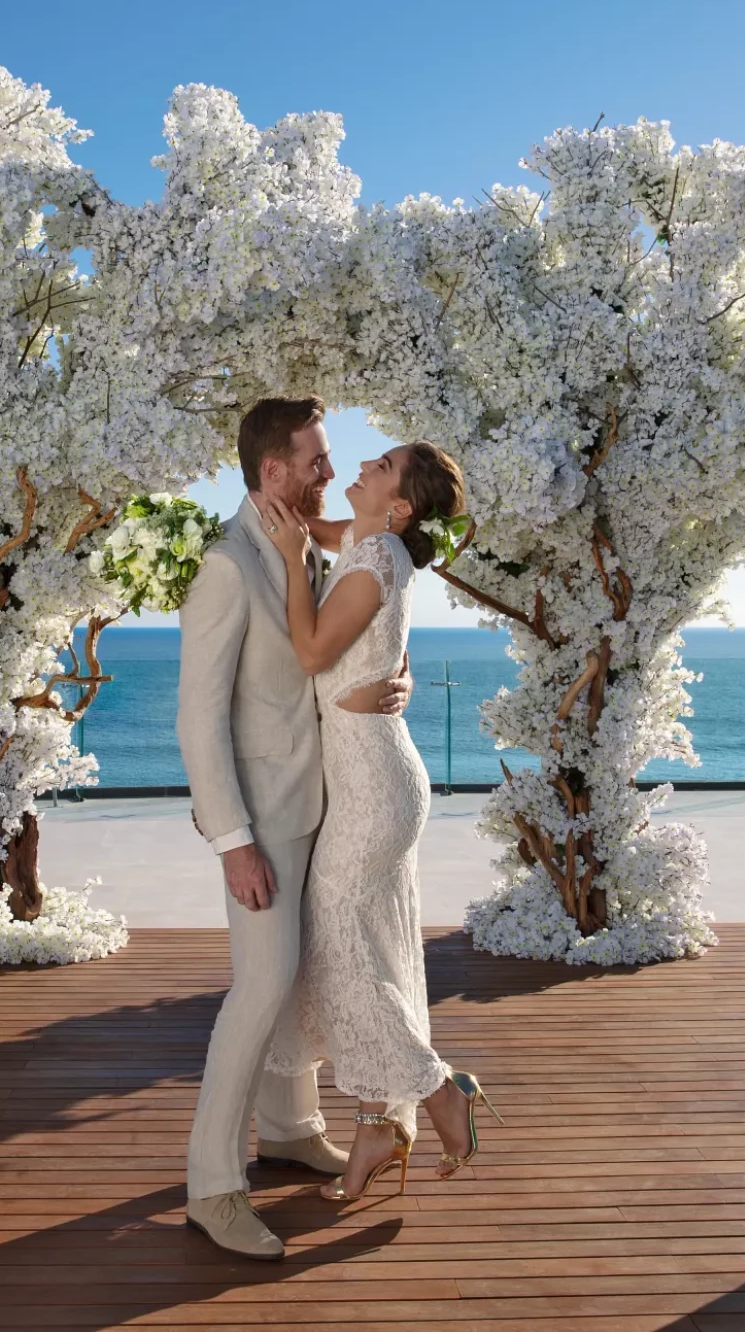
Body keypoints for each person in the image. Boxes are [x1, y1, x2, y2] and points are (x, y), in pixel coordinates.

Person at [175, 396, 413, 1261]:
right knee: (261, 985)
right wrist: (231, 842)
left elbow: (363, 634)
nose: (328, 470)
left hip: (329, 801)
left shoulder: (313, 541)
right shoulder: (228, 568)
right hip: (263, 822)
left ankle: (286, 1126)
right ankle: (212, 1185)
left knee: (300, 976)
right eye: (315, 459)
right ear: (272, 470)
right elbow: (198, 722)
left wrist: (397, 683)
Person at [262, 444, 500, 1204]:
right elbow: (331, 535)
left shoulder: (373, 561)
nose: (366, 459)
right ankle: (375, 1121)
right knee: (372, 951)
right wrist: (300, 525)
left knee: (340, 944)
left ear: (399, 506)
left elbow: (308, 652)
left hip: (372, 789)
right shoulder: (373, 544)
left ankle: (439, 1090)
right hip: (373, 776)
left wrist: (288, 556)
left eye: (385, 463)